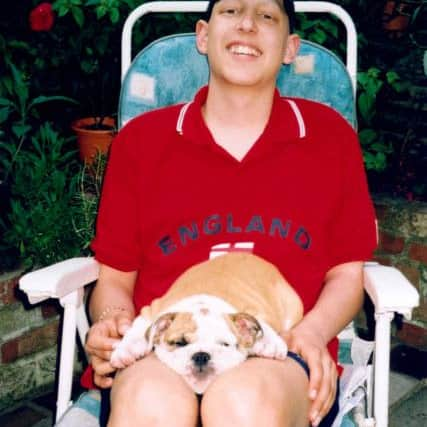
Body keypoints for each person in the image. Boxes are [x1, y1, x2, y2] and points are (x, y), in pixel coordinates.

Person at [84, 1, 377, 426]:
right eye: (232, 10)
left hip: (282, 349)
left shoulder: (330, 138)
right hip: (166, 348)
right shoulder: (141, 143)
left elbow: (348, 275)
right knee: (150, 403)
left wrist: (311, 334)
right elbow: (114, 279)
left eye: (267, 16)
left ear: (290, 48)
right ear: (203, 36)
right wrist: (114, 325)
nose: (246, 24)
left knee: (243, 403)